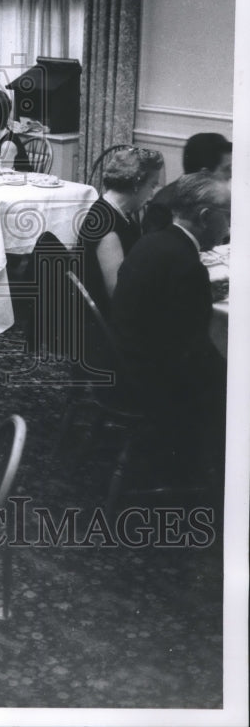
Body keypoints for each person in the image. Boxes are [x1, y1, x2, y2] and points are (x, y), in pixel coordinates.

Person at [112, 172, 230, 480]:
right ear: (205, 216)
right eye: (228, 216)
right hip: (153, 383)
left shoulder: (151, 242)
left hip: (125, 363)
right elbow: (194, 350)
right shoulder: (188, 267)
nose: (230, 226)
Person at [78, 147, 163, 316]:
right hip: (105, 322)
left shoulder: (115, 211)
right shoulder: (108, 230)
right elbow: (118, 297)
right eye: (152, 186)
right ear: (137, 184)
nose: (152, 195)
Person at [143, 133, 232, 233]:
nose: (231, 175)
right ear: (204, 174)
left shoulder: (220, 199)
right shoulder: (163, 206)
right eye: (226, 169)